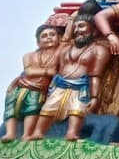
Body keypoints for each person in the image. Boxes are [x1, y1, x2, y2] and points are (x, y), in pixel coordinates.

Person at [38, 12, 111, 142]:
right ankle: (37, 133)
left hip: (80, 87)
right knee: (48, 108)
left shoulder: (99, 50)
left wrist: (94, 97)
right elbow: (57, 69)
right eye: (75, 27)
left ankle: (72, 133)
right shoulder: (66, 48)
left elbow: (95, 75)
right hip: (60, 84)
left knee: (77, 110)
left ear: (93, 29)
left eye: (82, 26)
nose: (77, 30)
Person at [4, 25, 62, 142]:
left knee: (32, 109)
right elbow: (29, 71)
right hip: (22, 85)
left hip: (39, 89)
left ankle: (27, 134)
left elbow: (66, 41)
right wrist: (48, 71)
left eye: (52, 35)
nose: (49, 38)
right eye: (44, 36)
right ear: (38, 42)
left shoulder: (59, 54)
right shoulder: (28, 56)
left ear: (59, 38)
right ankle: (10, 133)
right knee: (10, 108)